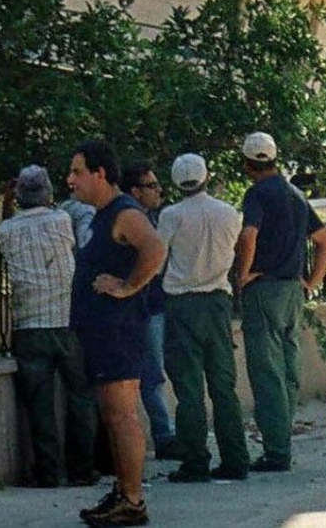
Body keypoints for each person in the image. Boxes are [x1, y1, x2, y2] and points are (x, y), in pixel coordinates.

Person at [68, 139, 166, 528]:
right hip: (102, 331)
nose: (70, 179)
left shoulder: (125, 213)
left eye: (77, 171)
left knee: (122, 415)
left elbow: (155, 249)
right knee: (111, 415)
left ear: (100, 173)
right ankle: (122, 491)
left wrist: (128, 286)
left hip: (119, 330)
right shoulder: (102, 215)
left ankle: (132, 499)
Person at [236, 132, 326, 473]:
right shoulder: (296, 195)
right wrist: (311, 283)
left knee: (267, 371)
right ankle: (283, 438)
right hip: (293, 290)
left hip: (265, 288)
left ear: (247, 163)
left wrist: (242, 274)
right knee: (289, 368)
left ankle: (277, 451)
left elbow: (249, 235)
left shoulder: (257, 194)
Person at [0, 163, 98, 488]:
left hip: (29, 323)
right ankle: (82, 468)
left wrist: (7, 201)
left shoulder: (6, 230)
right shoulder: (62, 220)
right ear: (48, 192)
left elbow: (3, 235)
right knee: (80, 395)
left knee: (39, 403)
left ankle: (48, 470)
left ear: (19, 195)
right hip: (67, 319)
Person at [158, 153, 250, 484]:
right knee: (223, 386)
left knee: (189, 389)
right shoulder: (229, 213)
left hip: (182, 304)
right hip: (218, 302)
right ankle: (236, 458)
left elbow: (159, 258)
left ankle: (195, 461)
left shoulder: (171, 216)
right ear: (206, 176)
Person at [121, 161, 179, 461]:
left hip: (160, 303)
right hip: (142, 307)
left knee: (162, 370)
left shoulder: (158, 219)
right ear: (135, 191)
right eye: (151, 186)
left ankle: (168, 432)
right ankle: (164, 435)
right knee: (152, 374)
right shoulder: (130, 222)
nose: (158, 191)